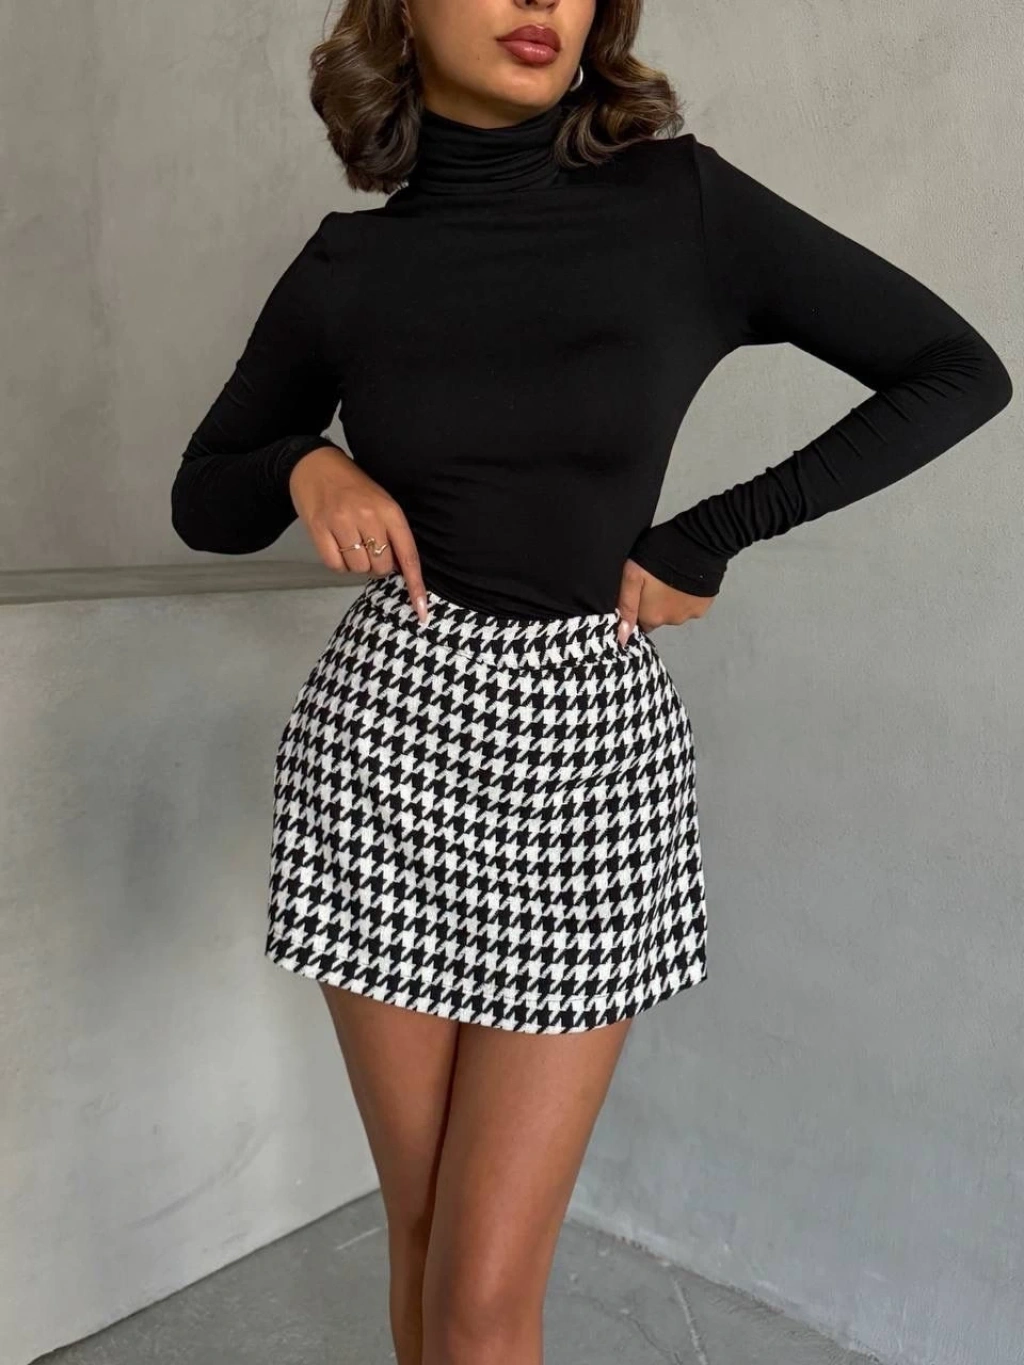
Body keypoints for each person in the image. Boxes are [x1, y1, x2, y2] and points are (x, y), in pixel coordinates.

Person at [170, 2, 1013, 1361]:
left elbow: (957, 370)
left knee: (486, 1289)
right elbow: (203, 498)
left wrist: (710, 535)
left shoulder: (680, 207)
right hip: (382, 752)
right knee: (427, 1239)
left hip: (590, 760)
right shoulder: (348, 267)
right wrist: (303, 465)